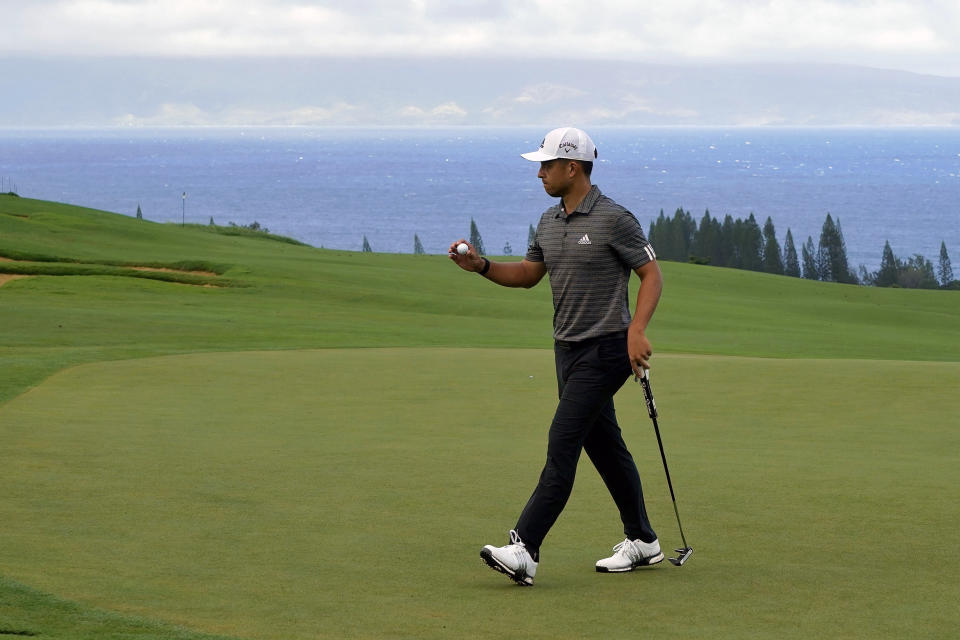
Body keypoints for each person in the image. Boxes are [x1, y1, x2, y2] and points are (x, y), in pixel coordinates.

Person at [448, 127, 665, 586]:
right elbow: (529, 274)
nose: (541, 173)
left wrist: (637, 330)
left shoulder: (614, 218)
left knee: (562, 441)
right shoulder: (548, 221)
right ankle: (643, 540)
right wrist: (482, 266)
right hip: (565, 350)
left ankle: (525, 546)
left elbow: (651, 275)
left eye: (547, 165)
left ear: (573, 167)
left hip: (606, 348)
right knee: (604, 446)